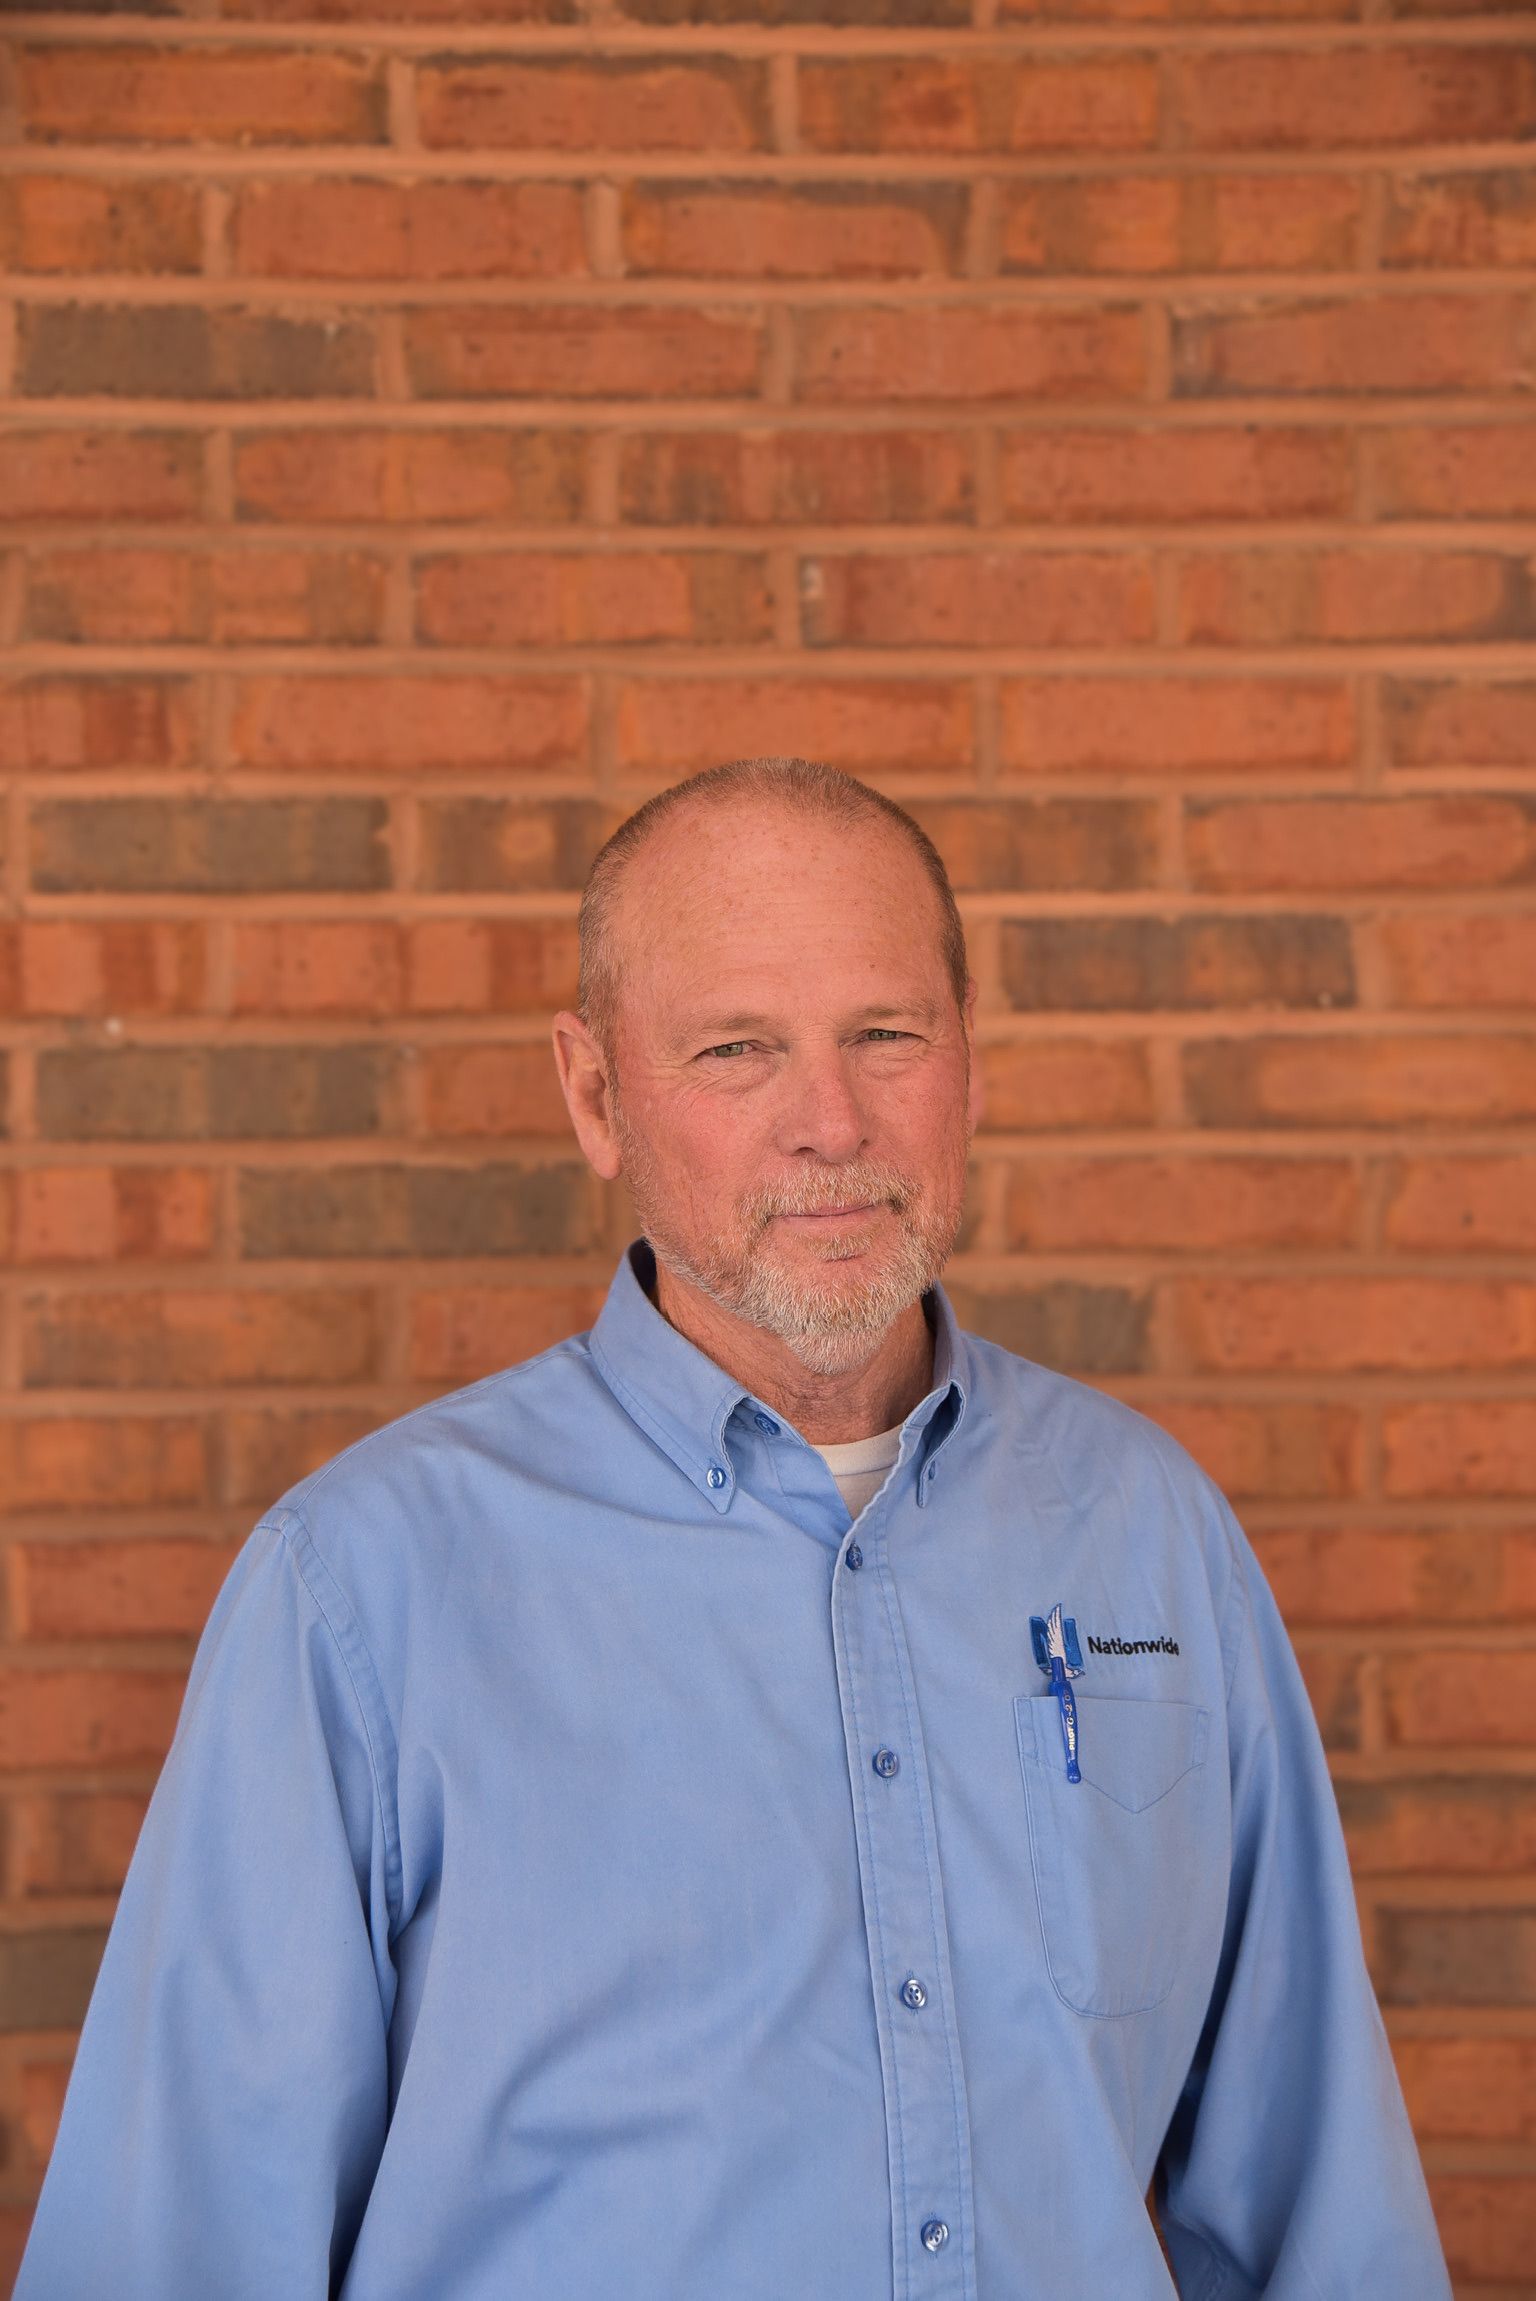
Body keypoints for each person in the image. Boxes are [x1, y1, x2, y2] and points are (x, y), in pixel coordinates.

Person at [16, 759, 1450, 2301]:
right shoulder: (359, 1594)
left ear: (969, 1059)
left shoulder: (1150, 1536)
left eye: (886, 1034)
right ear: (595, 1092)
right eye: (736, 1048)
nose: (830, 1121)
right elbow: (167, 2256)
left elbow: (1327, 2222)